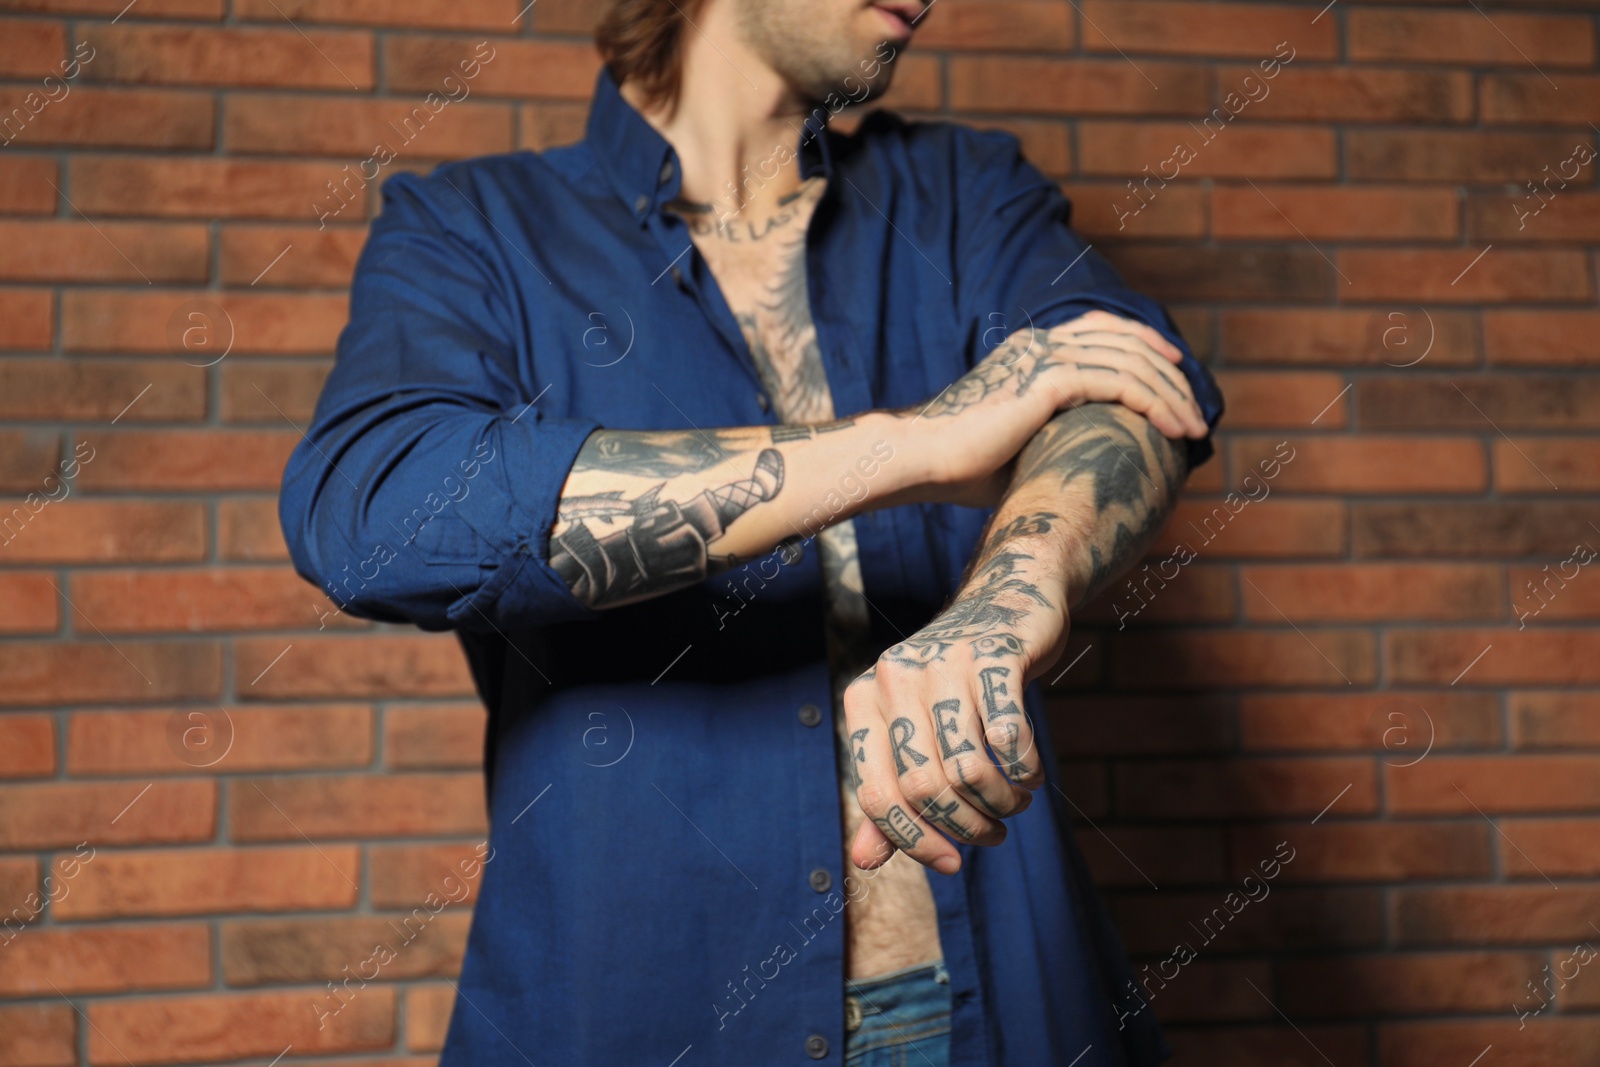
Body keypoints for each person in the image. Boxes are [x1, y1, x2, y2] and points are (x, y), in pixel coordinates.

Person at [279, 0, 1224, 1063]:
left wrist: (1008, 602)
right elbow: (380, 512)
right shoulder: (475, 227)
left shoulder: (962, 194)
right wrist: (911, 443)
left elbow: (1134, 388)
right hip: (649, 1018)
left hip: (1007, 1013)